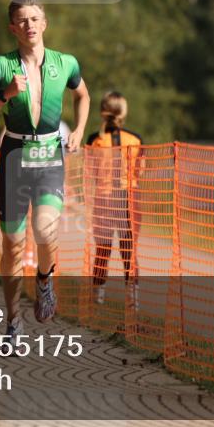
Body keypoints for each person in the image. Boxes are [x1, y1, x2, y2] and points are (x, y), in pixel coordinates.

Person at [0, 0, 90, 346]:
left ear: (44, 23)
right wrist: (3, 95)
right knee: (13, 245)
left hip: (49, 154)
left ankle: (45, 280)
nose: (29, 25)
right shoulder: (1, 66)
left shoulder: (65, 63)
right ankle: (12, 322)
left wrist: (79, 129)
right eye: (22, 20)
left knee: (45, 230)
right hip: (15, 156)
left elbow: (83, 95)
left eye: (34, 18)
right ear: (12, 28)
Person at [85, 91, 143, 306]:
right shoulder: (135, 140)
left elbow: (90, 171)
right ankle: (133, 299)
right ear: (123, 112)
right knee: (129, 250)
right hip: (130, 199)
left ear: (103, 111)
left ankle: (97, 297)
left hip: (104, 199)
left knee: (103, 249)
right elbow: (140, 171)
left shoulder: (95, 140)